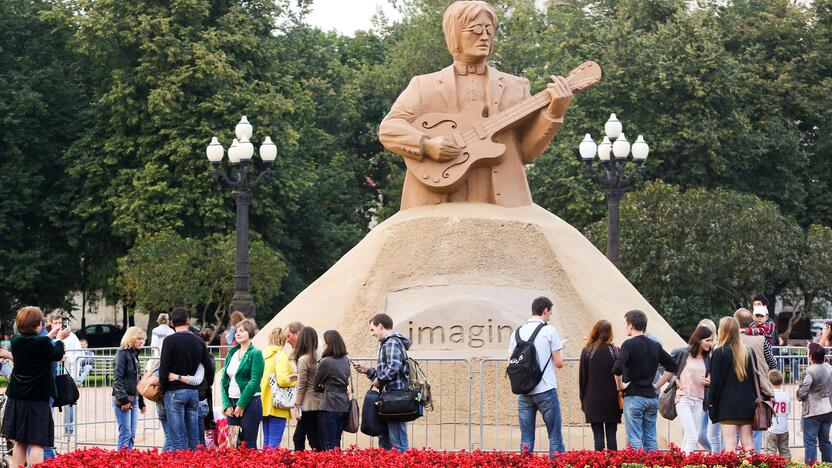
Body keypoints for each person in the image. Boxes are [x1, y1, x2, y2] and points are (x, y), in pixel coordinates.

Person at [378, 0, 573, 210]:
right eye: (476, 29)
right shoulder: (423, 85)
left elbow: (525, 152)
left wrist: (553, 114)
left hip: (503, 202)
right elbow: (389, 128)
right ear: (454, 34)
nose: (485, 36)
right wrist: (426, 145)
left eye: (490, 30)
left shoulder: (517, 87)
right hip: (435, 201)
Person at [2, 306, 70, 467]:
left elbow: (39, 343)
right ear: (38, 324)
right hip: (37, 398)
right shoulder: (42, 343)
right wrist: (59, 339)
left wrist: (51, 335)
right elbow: (57, 354)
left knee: (20, 441)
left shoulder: (16, 340)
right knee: (37, 442)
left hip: (17, 397)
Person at [508, 297, 566, 456]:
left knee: (526, 438)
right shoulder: (549, 331)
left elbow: (510, 361)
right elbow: (559, 363)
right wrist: (562, 348)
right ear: (545, 310)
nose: (549, 316)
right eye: (550, 313)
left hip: (525, 392)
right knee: (554, 435)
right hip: (546, 389)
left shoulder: (517, 333)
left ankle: (525, 464)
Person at [613, 309, 677, 451]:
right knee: (650, 438)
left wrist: (620, 386)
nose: (625, 328)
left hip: (634, 396)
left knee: (635, 438)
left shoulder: (628, 345)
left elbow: (617, 368)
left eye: (625, 324)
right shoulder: (654, 345)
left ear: (631, 325)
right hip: (651, 397)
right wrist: (656, 385)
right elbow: (672, 366)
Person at [158, 307, 215, 451]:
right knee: (194, 437)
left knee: (178, 438)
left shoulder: (169, 341)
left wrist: (163, 389)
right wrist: (207, 385)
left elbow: (163, 369)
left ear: (172, 323)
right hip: (193, 392)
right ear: (188, 321)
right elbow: (209, 367)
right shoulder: (198, 341)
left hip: (174, 391)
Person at [354, 313, 413, 451]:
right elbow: (389, 370)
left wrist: (379, 380)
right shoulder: (388, 343)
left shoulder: (391, 342)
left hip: (395, 399)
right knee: (386, 440)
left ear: (380, 326)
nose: (372, 334)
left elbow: (393, 366)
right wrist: (368, 371)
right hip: (391, 398)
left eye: (372, 329)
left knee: (397, 441)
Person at [707, 317, 758, 452]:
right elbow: (754, 380)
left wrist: (710, 401)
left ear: (722, 331)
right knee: (748, 443)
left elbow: (715, 383)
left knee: (730, 443)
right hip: (747, 404)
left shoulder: (719, 352)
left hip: (727, 405)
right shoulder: (749, 351)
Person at [734, 307, 775, 451]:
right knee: (756, 429)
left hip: (736, 390)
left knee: (735, 431)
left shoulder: (732, 340)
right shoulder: (762, 339)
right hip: (759, 389)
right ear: (751, 320)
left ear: (736, 322)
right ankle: (754, 460)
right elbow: (773, 362)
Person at [221, 319, 264, 449]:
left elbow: (254, 381)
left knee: (248, 445)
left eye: (242, 331)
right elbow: (223, 380)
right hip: (232, 404)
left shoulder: (256, 354)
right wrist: (226, 404)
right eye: (237, 331)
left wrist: (241, 404)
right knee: (233, 444)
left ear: (249, 333)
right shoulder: (231, 353)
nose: (238, 333)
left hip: (250, 403)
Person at [578, 319, 621, 451]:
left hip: (593, 400)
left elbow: (582, 379)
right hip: (612, 400)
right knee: (612, 435)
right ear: (610, 333)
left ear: (595, 331)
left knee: (598, 436)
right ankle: (614, 464)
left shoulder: (587, 351)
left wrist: (583, 401)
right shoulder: (616, 351)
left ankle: (599, 463)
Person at [670, 326, 713, 452]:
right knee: (693, 437)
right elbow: (664, 367)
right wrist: (674, 380)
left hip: (699, 401)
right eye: (708, 340)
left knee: (690, 437)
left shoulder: (707, 358)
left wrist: (709, 381)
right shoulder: (682, 353)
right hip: (684, 398)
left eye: (711, 341)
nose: (710, 344)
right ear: (699, 340)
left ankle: (680, 462)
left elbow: (710, 374)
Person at [314, 330, 351, 450]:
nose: (324, 346)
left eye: (325, 343)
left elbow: (316, 385)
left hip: (329, 405)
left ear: (329, 344)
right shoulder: (346, 360)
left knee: (328, 444)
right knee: (336, 442)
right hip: (344, 405)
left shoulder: (326, 361)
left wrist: (325, 387)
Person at [260, 327, 297, 448]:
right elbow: (282, 381)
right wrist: (296, 381)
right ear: (283, 339)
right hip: (278, 404)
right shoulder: (280, 355)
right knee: (274, 443)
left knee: (266, 442)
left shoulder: (262, 355)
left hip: (264, 404)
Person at [797, 342, 832, 464]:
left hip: (812, 411)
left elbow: (802, 393)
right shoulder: (829, 367)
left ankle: (811, 466)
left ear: (811, 356)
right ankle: (828, 465)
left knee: (810, 442)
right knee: (825, 441)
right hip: (828, 408)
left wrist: (798, 393)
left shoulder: (809, 371)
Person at [113, 327, 147, 450]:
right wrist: (124, 400)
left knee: (132, 433)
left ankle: (129, 459)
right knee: (126, 433)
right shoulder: (122, 353)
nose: (142, 341)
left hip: (135, 397)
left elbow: (137, 380)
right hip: (124, 398)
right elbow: (118, 379)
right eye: (139, 338)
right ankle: (121, 461)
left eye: (143, 339)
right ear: (131, 338)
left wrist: (142, 401)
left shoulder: (134, 353)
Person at [293, 326, 322, 451]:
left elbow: (302, 385)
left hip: (307, 404)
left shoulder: (303, 359)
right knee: (298, 437)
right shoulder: (319, 357)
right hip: (318, 402)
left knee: (313, 440)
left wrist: (296, 404)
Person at [697, 318, 721, 453]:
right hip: (700, 395)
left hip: (714, 395)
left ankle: (718, 459)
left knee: (714, 434)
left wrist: (712, 380)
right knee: (700, 434)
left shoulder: (717, 349)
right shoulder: (696, 351)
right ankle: (715, 454)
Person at [764, 369, 790, 461]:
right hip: (784, 428)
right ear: (782, 381)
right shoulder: (785, 395)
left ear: (768, 382)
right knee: (785, 451)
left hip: (771, 428)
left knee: (770, 452)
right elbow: (788, 411)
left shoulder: (769, 395)